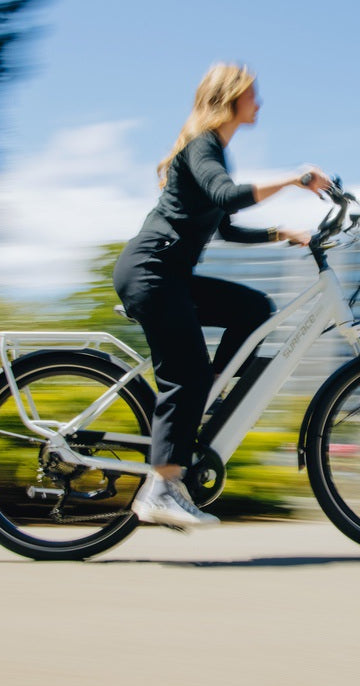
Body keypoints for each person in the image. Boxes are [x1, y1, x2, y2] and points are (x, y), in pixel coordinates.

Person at [113, 63, 331, 528]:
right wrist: (294, 177)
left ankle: (206, 395)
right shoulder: (202, 144)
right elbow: (226, 195)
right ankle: (161, 488)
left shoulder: (213, 151)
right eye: (253, 94)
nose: (260, 102)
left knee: (253, 308)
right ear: (230, 98)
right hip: (153, 271)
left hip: (168, 274)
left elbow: (226, 225)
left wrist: (282, 233)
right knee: (184, 374)